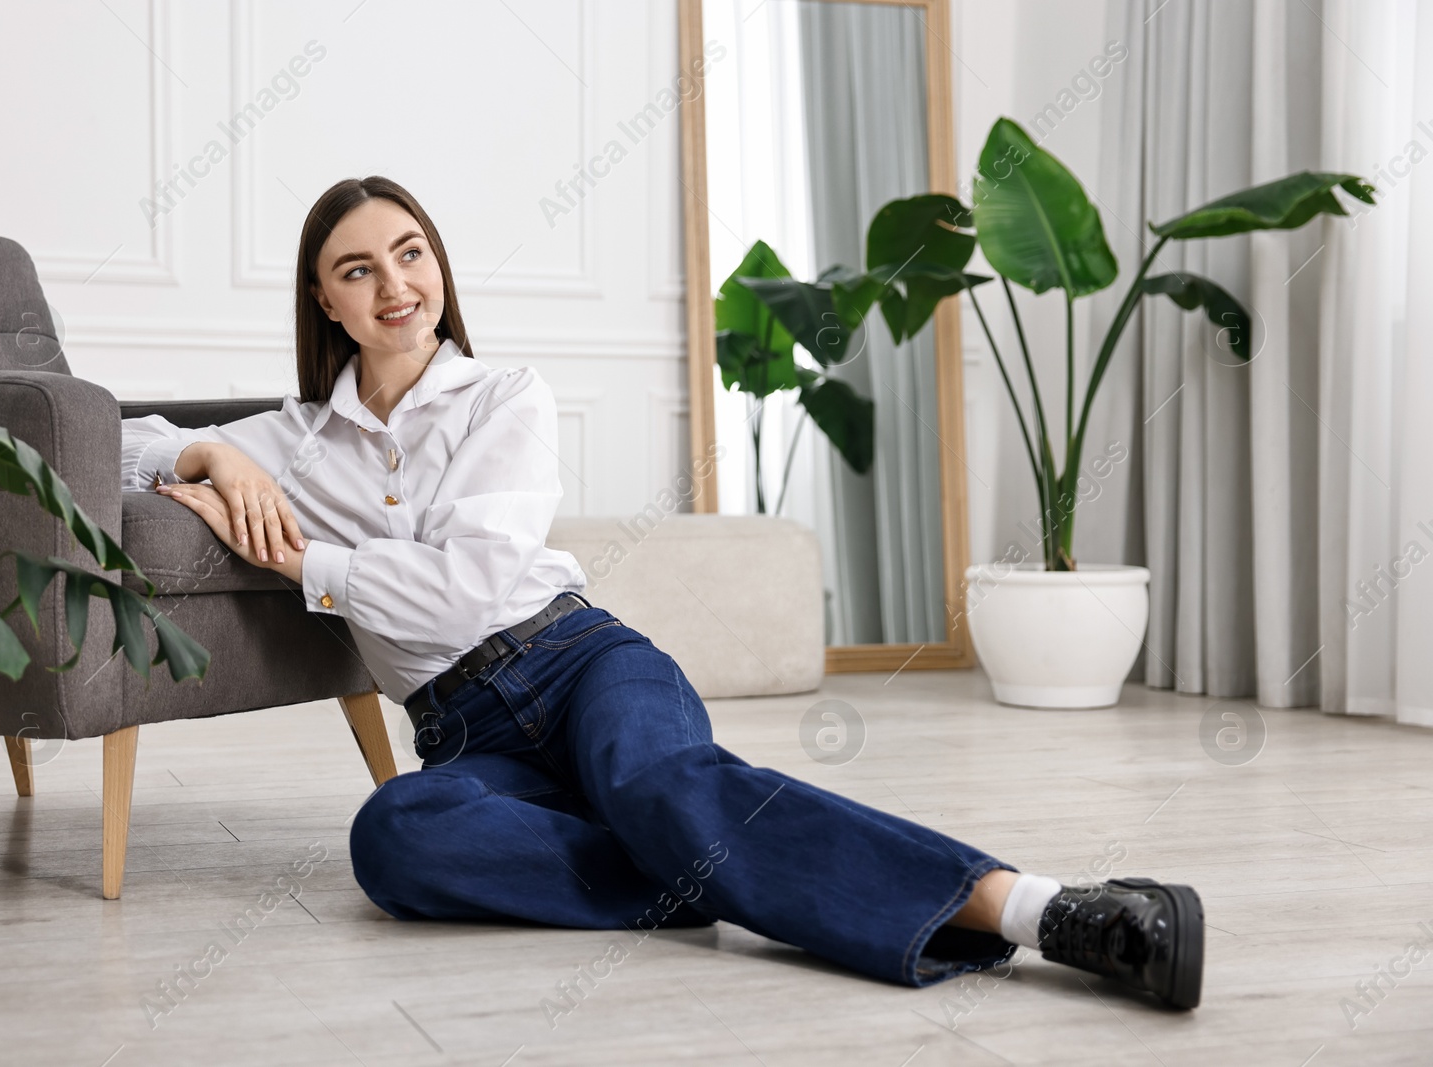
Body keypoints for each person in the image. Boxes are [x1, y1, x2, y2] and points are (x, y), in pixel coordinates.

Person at [120, 176, 1206, 1010]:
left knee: (659, 780)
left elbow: (471, 588)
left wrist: (308, 564)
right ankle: (710, 865)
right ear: (325, 298)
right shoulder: (294, 440)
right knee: (395, 837)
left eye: (411, 254)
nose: (395, 285)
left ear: (439, 267)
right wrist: (212, 456)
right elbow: (114, 442)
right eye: (358, 269)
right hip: (459, 729)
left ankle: (1043, 908)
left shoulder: (504, 395)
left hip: (582, 660)